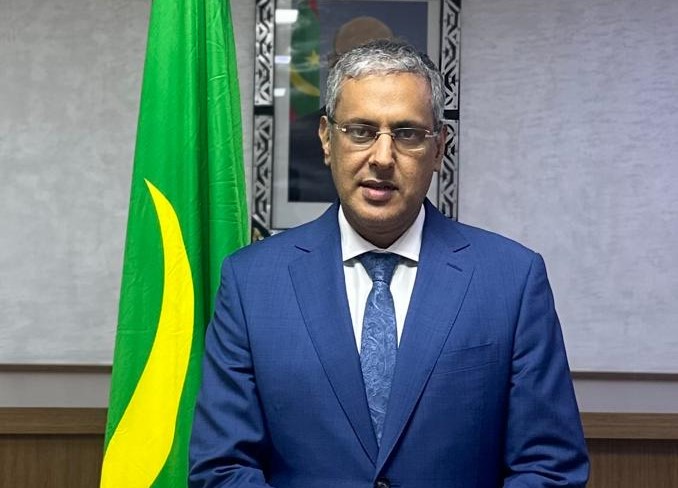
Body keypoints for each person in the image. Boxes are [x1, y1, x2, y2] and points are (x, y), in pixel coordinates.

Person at [189, 39, 589, 487]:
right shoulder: (252, 283)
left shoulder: (512, 281)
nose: (382, 158)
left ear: (439, 147)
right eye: (360, 131)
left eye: (407, 134)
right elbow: (222, 467)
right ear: (326, 139)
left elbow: (549, 468)